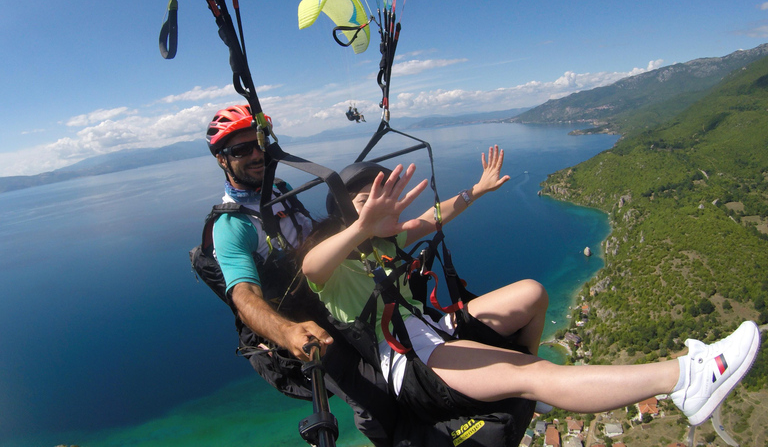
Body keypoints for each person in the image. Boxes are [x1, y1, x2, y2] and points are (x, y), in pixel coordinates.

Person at [301, 148, 762, 427]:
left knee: (533, 292)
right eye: (368, 201)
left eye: (384, 195)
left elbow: (434, 215)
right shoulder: (338, 268)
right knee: (530, 372)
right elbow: (312, 267)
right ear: (347, 216)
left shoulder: (388, 240)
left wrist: (476, 191)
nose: (383, 205)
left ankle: (536, 389)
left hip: (430, 329)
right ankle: (684, 379)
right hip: (408, 362)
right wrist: (361, 225)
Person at [204, 105, 397, 446]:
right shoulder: (232, 226)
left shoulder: (280, 189)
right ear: (222, 159)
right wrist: (288, 331)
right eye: (240, 150)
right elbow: (244, 296)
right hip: (307, 324)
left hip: (334, 293)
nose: (255, 154)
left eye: (259, 144)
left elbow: (311, 238)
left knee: (398, 361)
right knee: (374, 397)